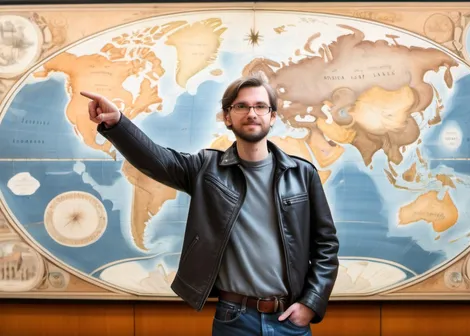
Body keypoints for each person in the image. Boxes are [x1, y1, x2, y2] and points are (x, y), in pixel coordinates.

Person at [81, 73, 339, 335]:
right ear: (228, 117)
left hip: (289, 318)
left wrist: (311, 304)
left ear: (272, 116)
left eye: (260, 106)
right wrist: (118, 124)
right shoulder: (206, 169)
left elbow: (326, 246)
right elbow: (156, 160)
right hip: (234, 319)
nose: (252, 113)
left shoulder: (302, 173)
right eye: (241, 106)